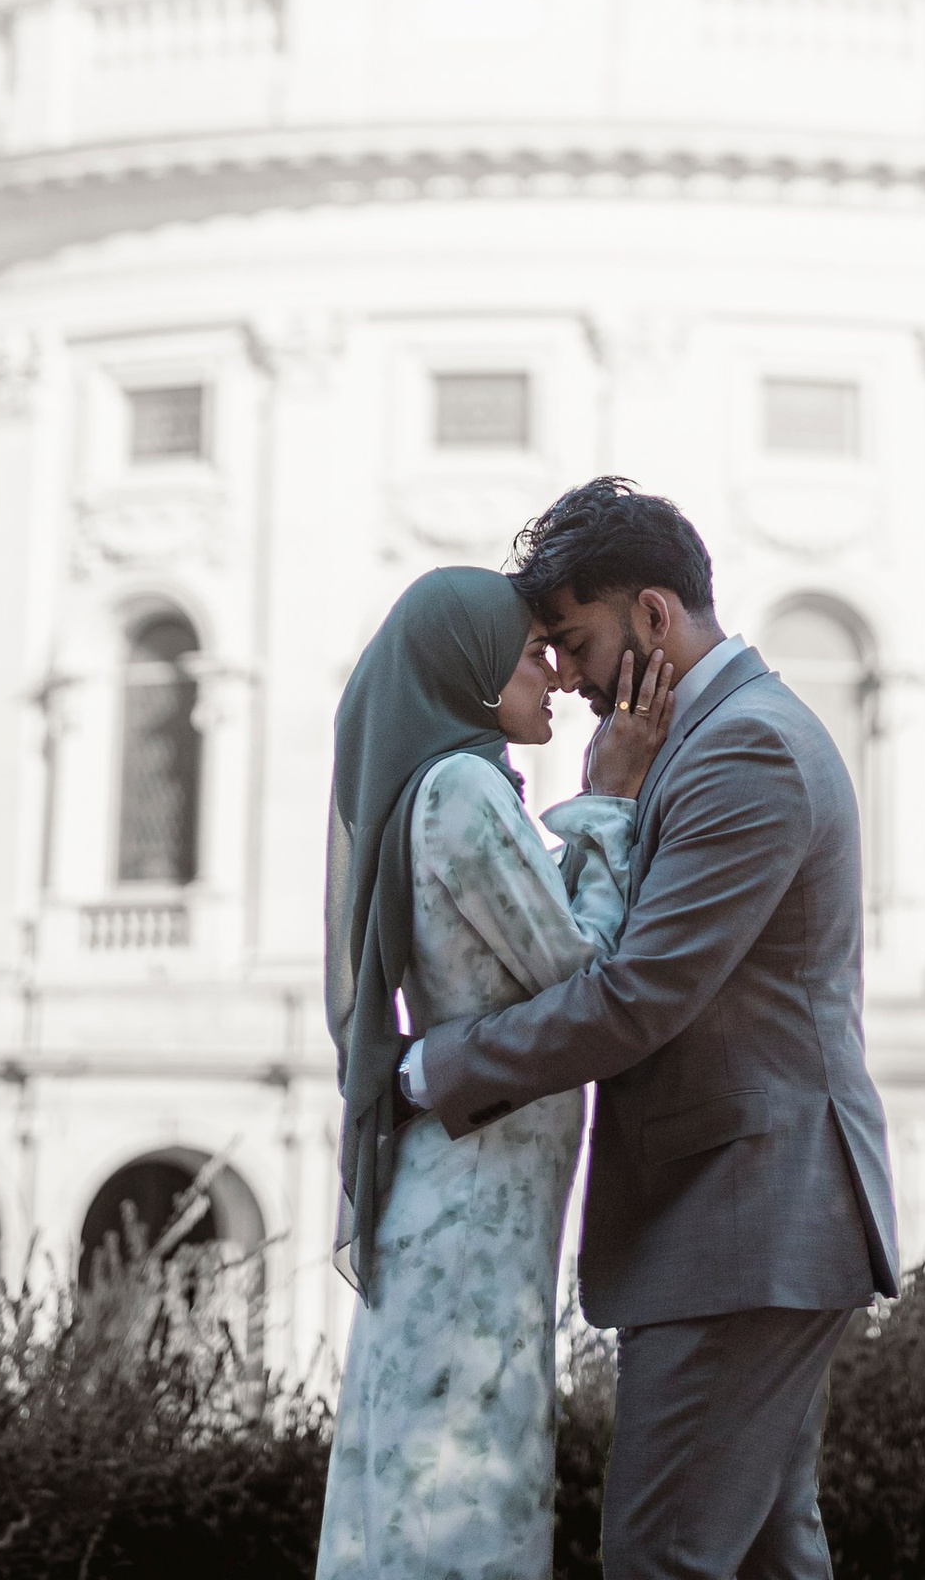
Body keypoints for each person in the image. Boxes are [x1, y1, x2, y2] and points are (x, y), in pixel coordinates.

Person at [402, 482, 898, 1580]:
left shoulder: (745, 750)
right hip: (743, 1216)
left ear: (656, 617)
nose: (565, 676)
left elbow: (637, 999)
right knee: (771, 1558)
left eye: (575, 642)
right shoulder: (705, 738)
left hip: (743, 1221)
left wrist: (436, 1067)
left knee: (660, 1560)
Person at [318, 560, 671, 1580]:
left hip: (462, 1191)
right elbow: (586, 975)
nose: (556, 679)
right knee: (462, 1505)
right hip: (473, 1202)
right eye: (529, 657)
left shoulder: (443, 791)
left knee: (422, 1497)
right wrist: (610, 800)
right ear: (469, 671)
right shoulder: (465, 790)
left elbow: (520, 923)